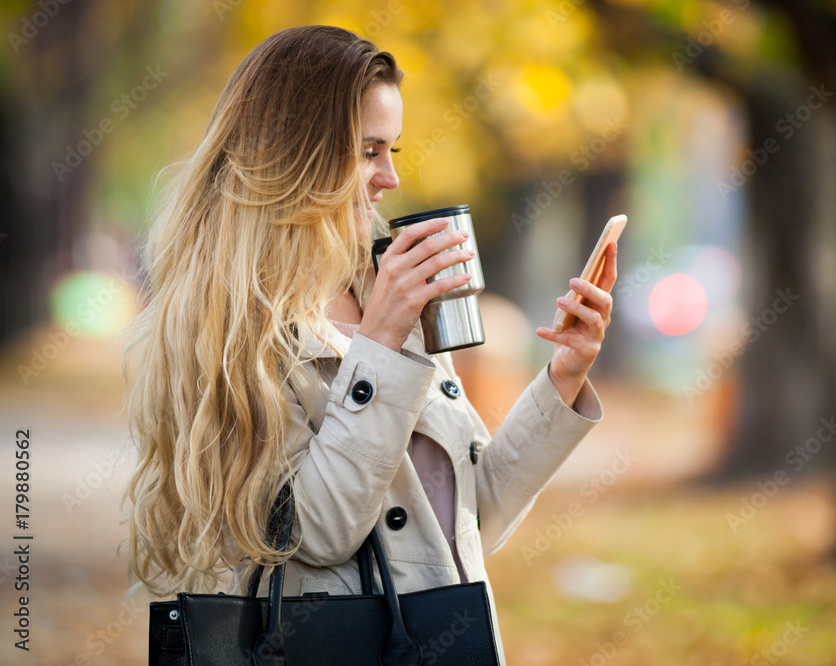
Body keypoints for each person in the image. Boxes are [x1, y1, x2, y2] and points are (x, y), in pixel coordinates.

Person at [121, 25, 616, 664]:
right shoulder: (226, 323)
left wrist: (563, 378)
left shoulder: (379, 286)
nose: (390, 178)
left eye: (393, 149)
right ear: (296, 154)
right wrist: (380, 341)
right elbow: (315, 532)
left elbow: (468, 518)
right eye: (368, 151)